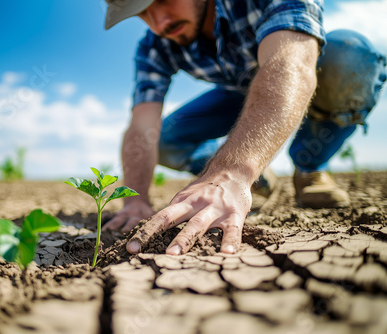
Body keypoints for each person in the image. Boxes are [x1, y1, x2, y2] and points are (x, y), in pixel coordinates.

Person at [102, 0, 386, 256]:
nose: (159, 22)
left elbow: (291, 65)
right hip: (236, 93)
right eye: (142, 13)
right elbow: (141, 124)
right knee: (160, 139)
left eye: (162, 0)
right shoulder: (155, 45)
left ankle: (310, 168)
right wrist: (134, 199)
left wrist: (233, 170)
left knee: (350, 56)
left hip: (295, 64)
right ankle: (250, 172)